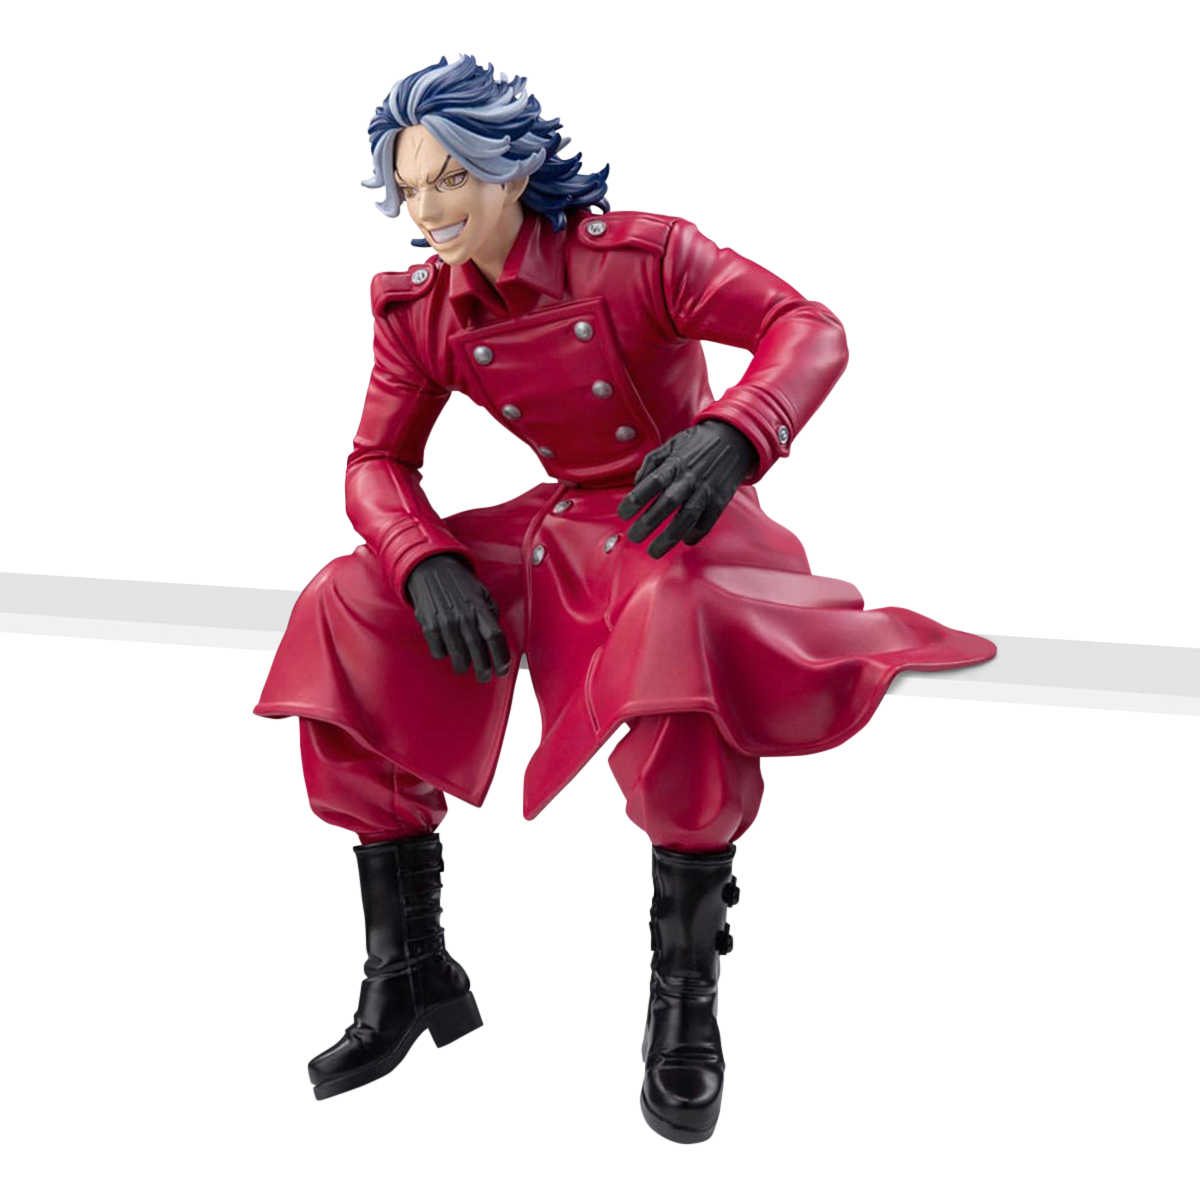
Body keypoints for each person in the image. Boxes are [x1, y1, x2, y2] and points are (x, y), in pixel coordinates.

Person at [254, 54, 996, 1143]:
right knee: (346, 599)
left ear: (512, 169)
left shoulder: (641, 258)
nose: (429, 209)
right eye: (409, 188)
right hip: (558, 527)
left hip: (679, 519)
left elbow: (808, 326)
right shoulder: (423, 311)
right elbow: (374, 461)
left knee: (679, 633)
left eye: (451, 178)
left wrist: (735, 434)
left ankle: (684, 1001)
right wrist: (420, 556)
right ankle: (408, 967)